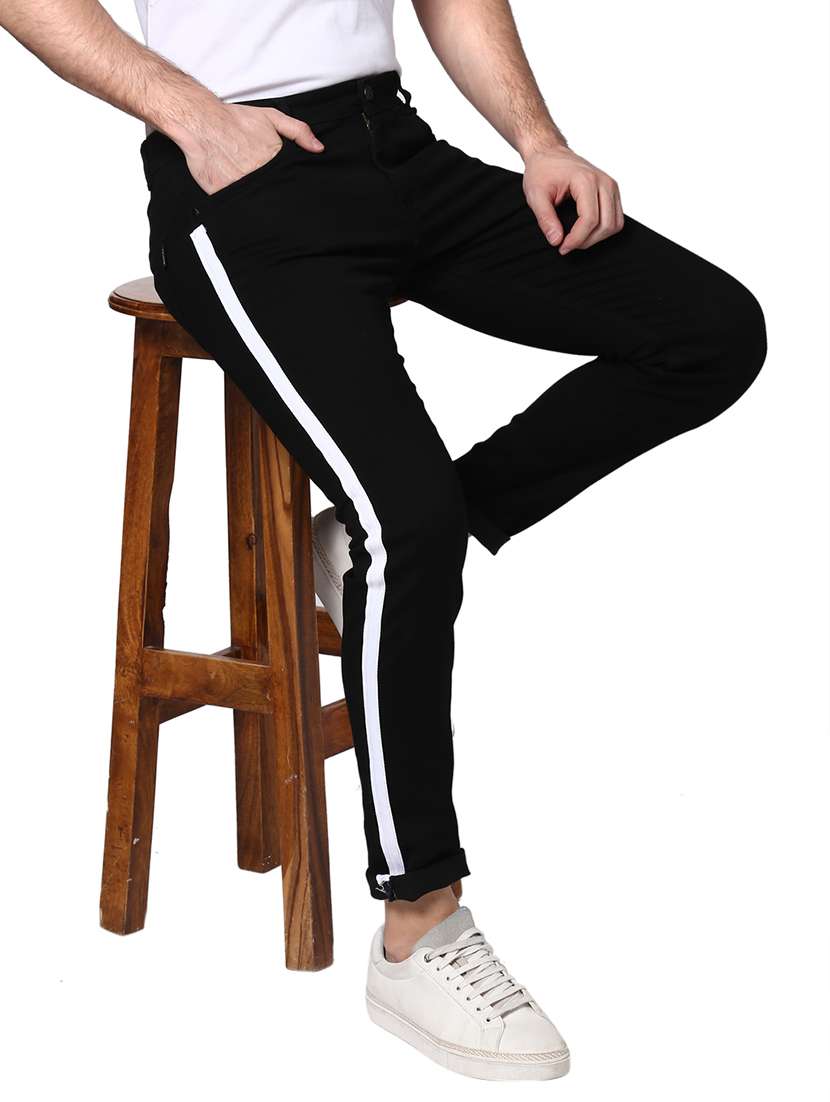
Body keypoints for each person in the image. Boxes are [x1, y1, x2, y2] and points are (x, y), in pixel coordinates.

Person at [2, 0, 766, 1081]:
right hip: (240, 178)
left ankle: (385, 545)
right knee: (407, 526)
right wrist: (193, 116)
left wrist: (539, 141)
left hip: (394, 147)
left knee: (707, 331)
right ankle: (418, 925)